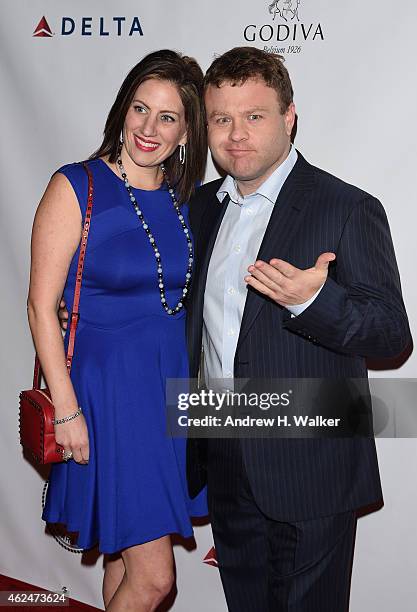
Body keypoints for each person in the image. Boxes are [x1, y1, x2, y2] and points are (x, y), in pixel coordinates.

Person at [185, 47, 412, 611]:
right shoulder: (198, 208)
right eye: (222, 119)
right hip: (225, 449)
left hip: (311, 458)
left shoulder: (346, 208)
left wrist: (314, 301)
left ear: (289, 117)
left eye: (254, 116)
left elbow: (391, 334)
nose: (236, 135)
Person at [27, 49, 208, 612]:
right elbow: (39, 306)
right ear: (121, 110)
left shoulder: (185, 201)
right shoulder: (75, 186)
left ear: (185, 133)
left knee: (124, 559)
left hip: (167, 388)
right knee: (155, 580)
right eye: (139, 109)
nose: (148, 128)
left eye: (167, 117)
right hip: (107, 395)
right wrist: (66, 408)